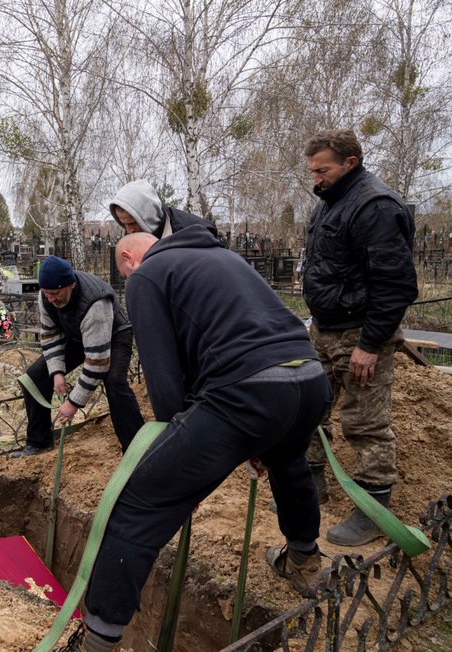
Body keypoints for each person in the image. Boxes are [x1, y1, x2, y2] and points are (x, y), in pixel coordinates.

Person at [73, 230, 333, 652]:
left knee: (138, 502)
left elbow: (164, 378)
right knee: (288, 461)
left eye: (122, 270)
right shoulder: (221, 258)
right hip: (307, 381)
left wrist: (179, 460)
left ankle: (97, 641)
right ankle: (303, 558)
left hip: (248, 393)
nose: (124, 280)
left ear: (128, 258)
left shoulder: (146, 275)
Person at [300, 129, 418, 546]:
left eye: (322, 170)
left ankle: (373, 509)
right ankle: (313, 485)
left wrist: (370, 345)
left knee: (364, 423)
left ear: (350, 162)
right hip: (325, 328)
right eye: (312, 170)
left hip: (361, 332)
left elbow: (396, 284)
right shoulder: (329, 202)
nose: (315, 178)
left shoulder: (375, 206)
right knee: (309, 406)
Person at [12, 256, 143, 457]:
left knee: (114, 382)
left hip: (114, 334)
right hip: (77, 334)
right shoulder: (46, 295)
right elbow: (50, 335)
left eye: (55, 293)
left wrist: (73, 403)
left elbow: (97, 363)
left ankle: (136, 448)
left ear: (71, 285)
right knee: (35, 376)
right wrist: (56, 372)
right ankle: (39, 442)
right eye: (46, 293)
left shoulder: (95, 304)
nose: (50, 299)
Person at [108, 179, 218, 238]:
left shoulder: (196, 231)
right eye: (124, 224)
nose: (128, 230)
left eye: (132, 223)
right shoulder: (133, 234)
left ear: (148, 216)